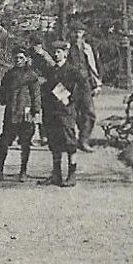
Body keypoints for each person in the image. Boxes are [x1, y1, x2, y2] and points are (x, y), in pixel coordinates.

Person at [31, 37, 87, 186]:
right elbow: (47, 87)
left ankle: (72, 175)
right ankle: (56, 175)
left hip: (65, 111)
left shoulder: (72, 70)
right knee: (54, 142)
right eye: (54, 52)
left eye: (59, 52)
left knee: (69, 142)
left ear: (65, 53)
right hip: (51, 111)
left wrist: (70, 99)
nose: (56, 55)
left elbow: (82, 87)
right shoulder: (50, 70)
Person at [0, 48, 43, 181]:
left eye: (21, 58)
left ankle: (23, 171)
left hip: (26, 112)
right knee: (4, 142)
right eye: (16, 58)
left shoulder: (31, 76)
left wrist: (36, 110)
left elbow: (36, 95)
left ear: (27, 59)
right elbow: (2, 91)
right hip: (11, 112)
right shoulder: (9, 75)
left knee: (25, 142)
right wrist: (3, 98)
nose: (18, 60)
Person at [68, 23, 102, 151]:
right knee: (71, 113)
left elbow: (93, 67)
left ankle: (84, 140)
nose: (77, 35)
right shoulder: (66, 49)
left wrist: (97, 84)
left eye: (80, 32)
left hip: (85, 84)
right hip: (70, 86)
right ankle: (71, 140)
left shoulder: (87, 48)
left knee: (90, 113)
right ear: (71, 34)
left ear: (83, 34)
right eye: (75, 32)